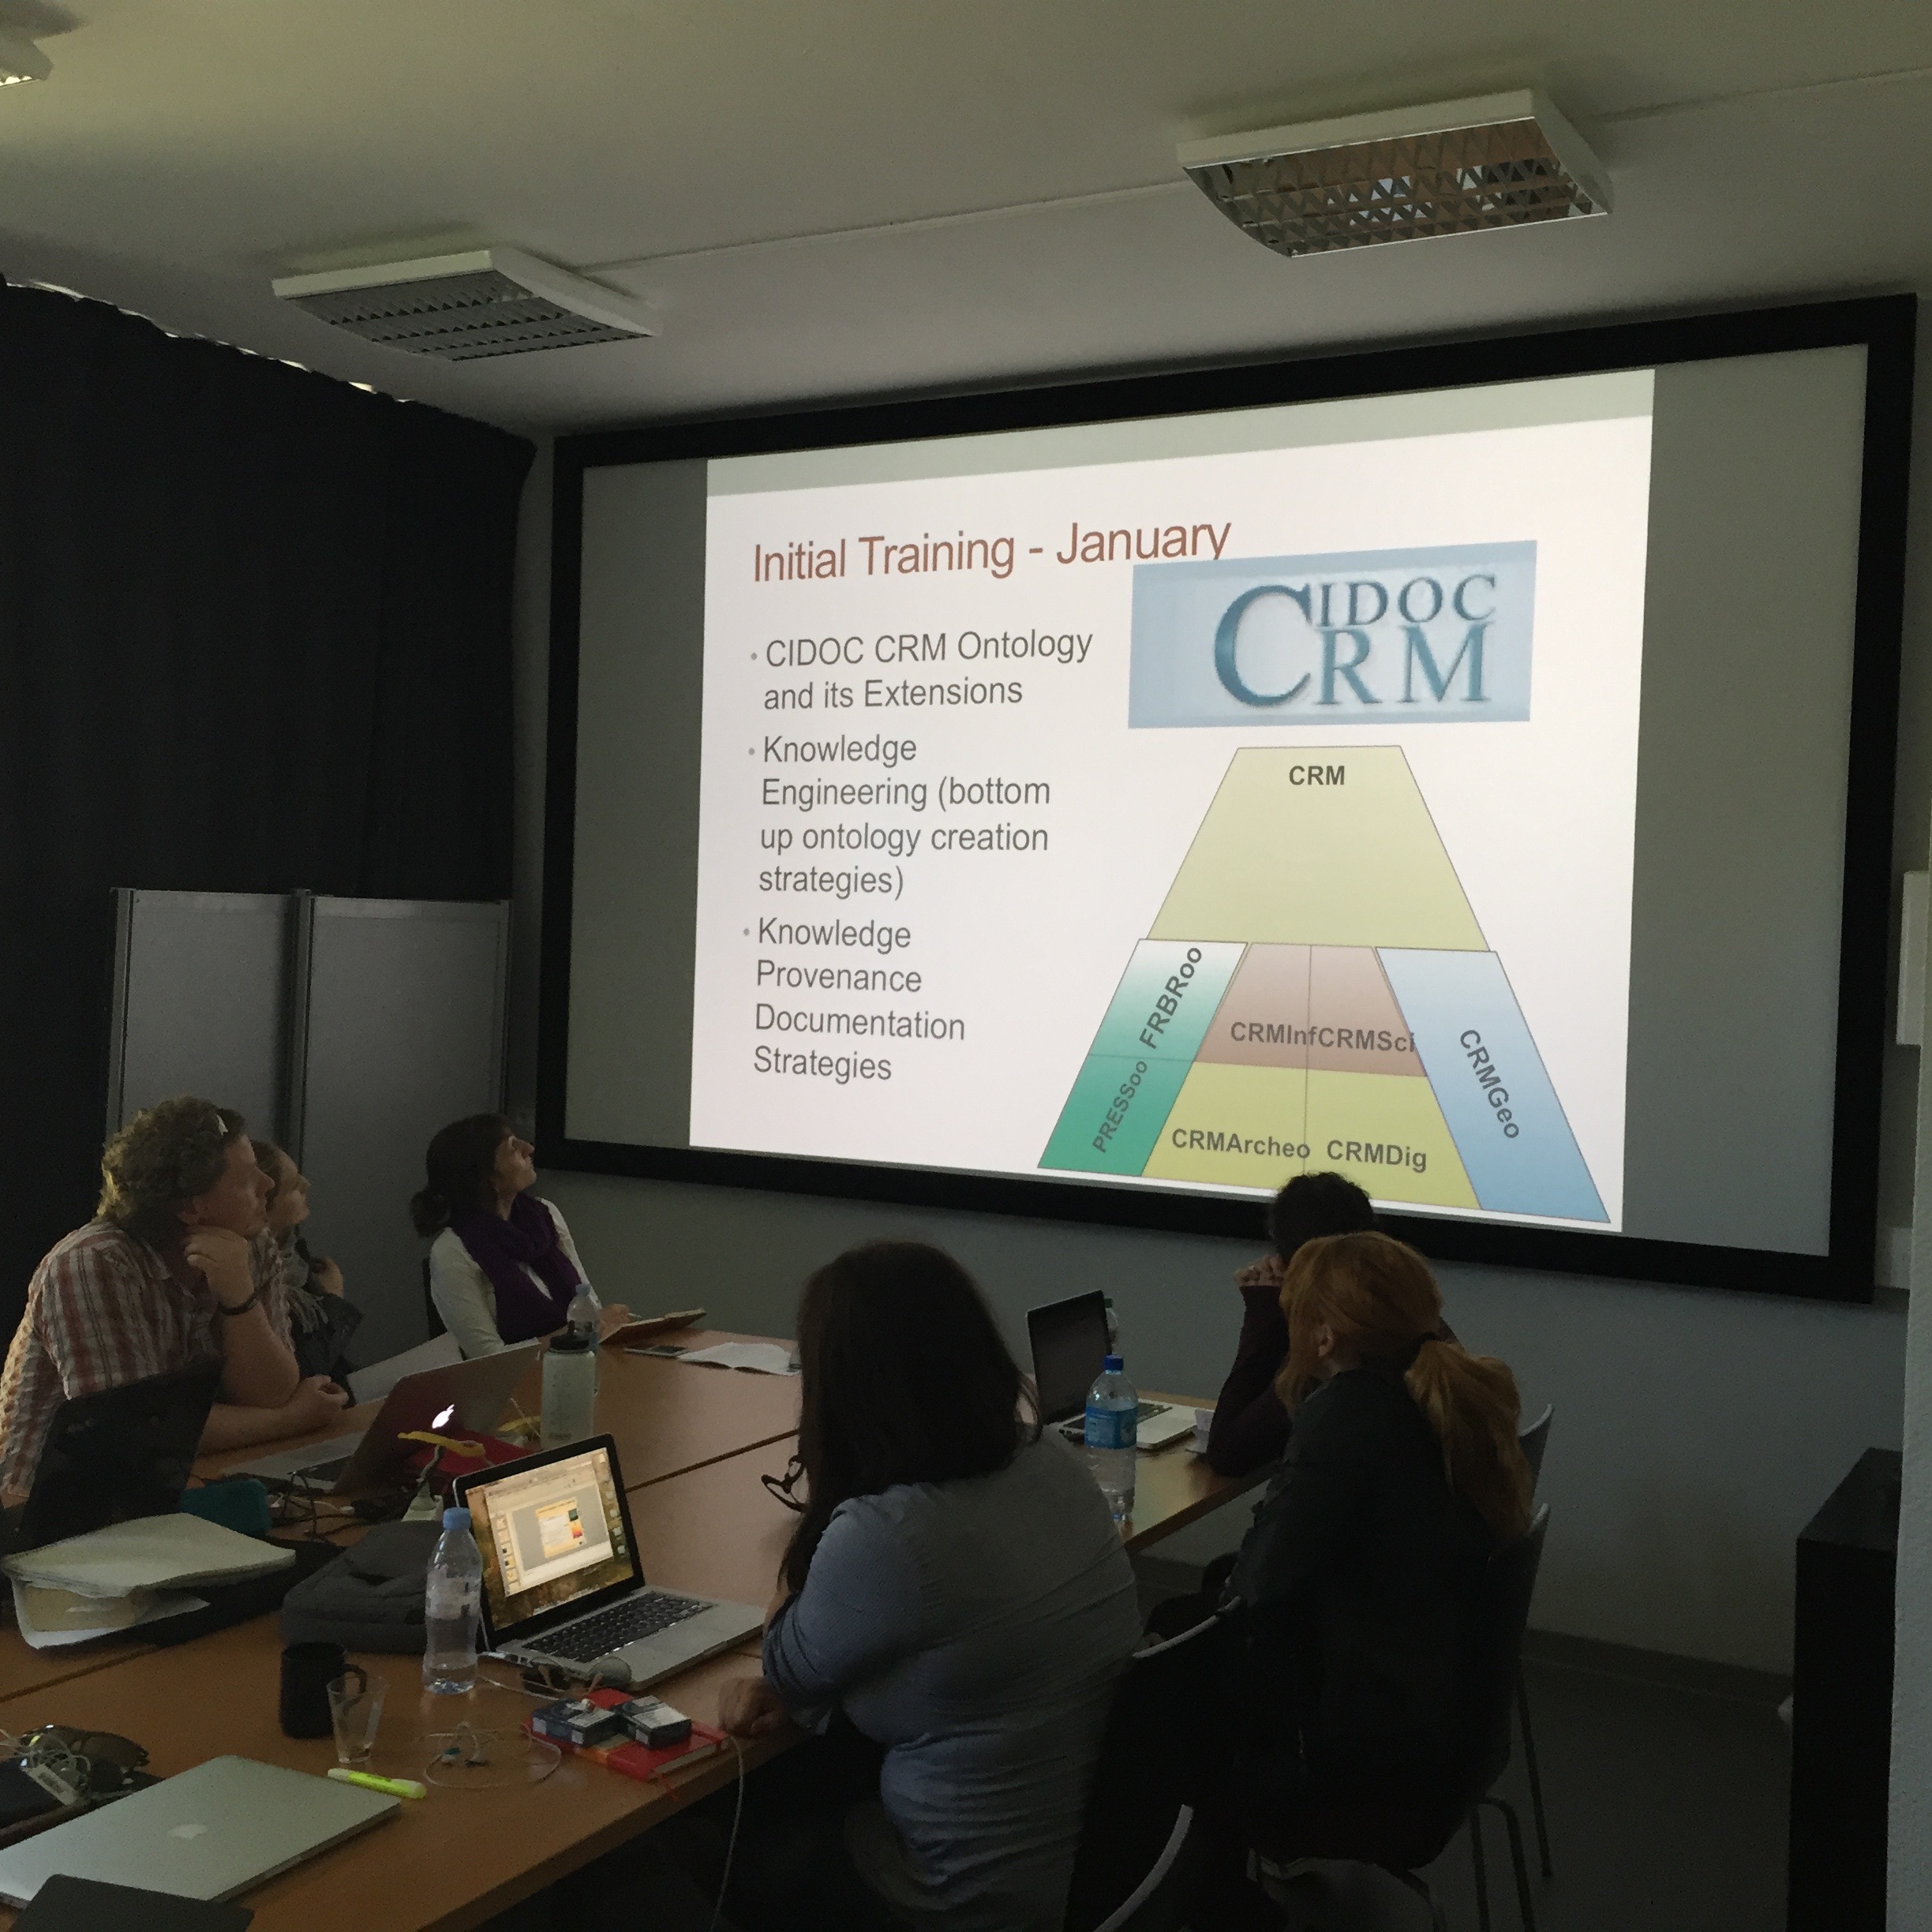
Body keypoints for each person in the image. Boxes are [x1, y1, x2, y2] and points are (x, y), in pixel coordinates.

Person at [706, 1241, 1142, 1932]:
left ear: (843, 1388)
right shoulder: (1051, 1458)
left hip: (959, 1896)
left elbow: (786, 1664)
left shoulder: (890, 1533)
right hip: (1084, 1856)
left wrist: (826, 1508)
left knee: (704, 1832)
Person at [1206, 1230, 1533, 1911]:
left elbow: (1255, 1588)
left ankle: (1215, 1897)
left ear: (1323, 1335)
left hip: (1364, 1757)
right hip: (1437, 1722)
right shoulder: (1439, 1397)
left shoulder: (1350, 1412)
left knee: (1170, 1680)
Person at [0, 1098, 350, 1492]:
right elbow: (137, 1432)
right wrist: (291, 1420)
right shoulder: (92, 1264)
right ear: (191, 1208)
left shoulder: (250, 1244)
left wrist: (239, 1299)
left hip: (174, 1483)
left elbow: (271, 1393)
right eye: (246, 1180)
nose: (267, 1187)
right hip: (48, 1504)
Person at [1206, 1170, 1380, 1476]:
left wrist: (1265, 1314)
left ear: (1291, 1264)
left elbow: (1228, 1453)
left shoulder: (1333, 1351)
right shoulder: (1406, 1316)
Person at [411, 1115, 622, 1357]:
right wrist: (576, 1334)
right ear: (486, 1176)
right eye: (514, 1148)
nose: (529, 1149)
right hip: (514, 1380)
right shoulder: (452, 1250)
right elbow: (490, 1358)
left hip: (578, 1365)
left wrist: (603, 1326)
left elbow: (587, 1302)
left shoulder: (545, 1214)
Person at [253, 1140, 362, 1383]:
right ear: (263, 1205)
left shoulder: (293, 1250)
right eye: (294, 1186)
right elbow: (308, 1366)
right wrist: (333, 1298)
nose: (307, 1185)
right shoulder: (255, 1276)